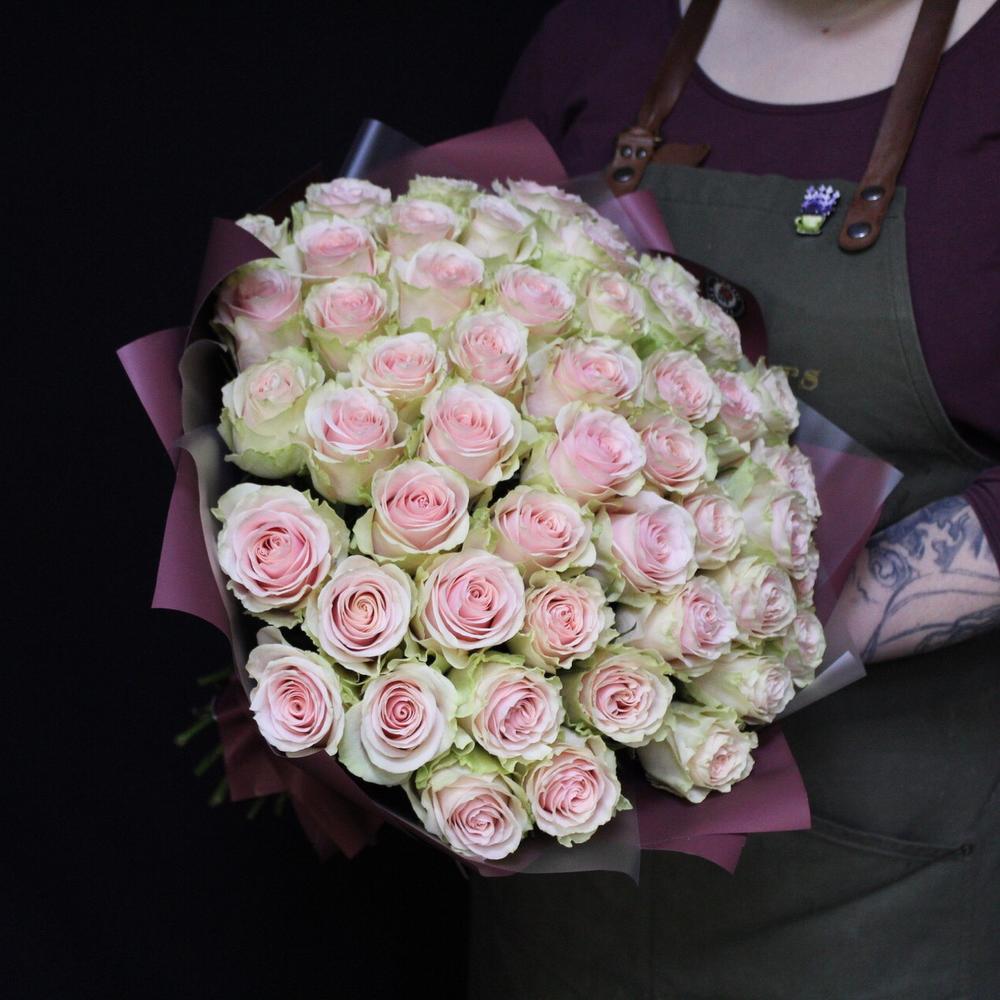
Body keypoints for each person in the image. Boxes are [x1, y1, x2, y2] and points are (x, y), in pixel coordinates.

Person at [468, 1, 1000, 997]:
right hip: (564, 895)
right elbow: (471, 316)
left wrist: (746, 631)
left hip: (884, 890)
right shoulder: (602, 30)